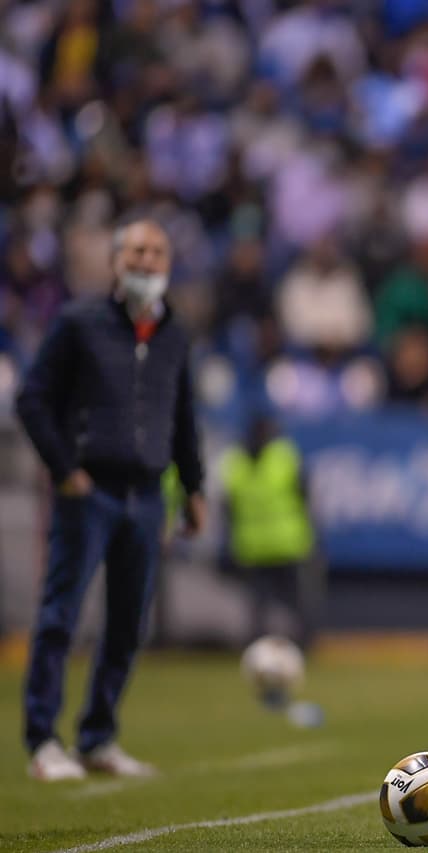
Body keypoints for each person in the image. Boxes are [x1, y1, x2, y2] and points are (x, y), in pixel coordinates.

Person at [16, 219, 205, 781]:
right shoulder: (80, 323)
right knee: (60, 617)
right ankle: (43, 741)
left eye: (157, 250)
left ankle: (97, 737)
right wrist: (65, 468)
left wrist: (193, 487)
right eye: (137, 250)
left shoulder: (175, 333)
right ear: (116, 261)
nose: (148, 260)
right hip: (89, 492)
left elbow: (183, 415)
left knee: (127, 624)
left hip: (147, 497)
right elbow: (32, 399)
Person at [220, 413, 318, 653]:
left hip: (264, 544)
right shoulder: (284, 457)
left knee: (263, 605)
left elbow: (228, 507)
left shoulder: (235, 462)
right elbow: (305, 496)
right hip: (283, 543)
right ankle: (298, 645)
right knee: (279, 603)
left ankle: (272, 645)